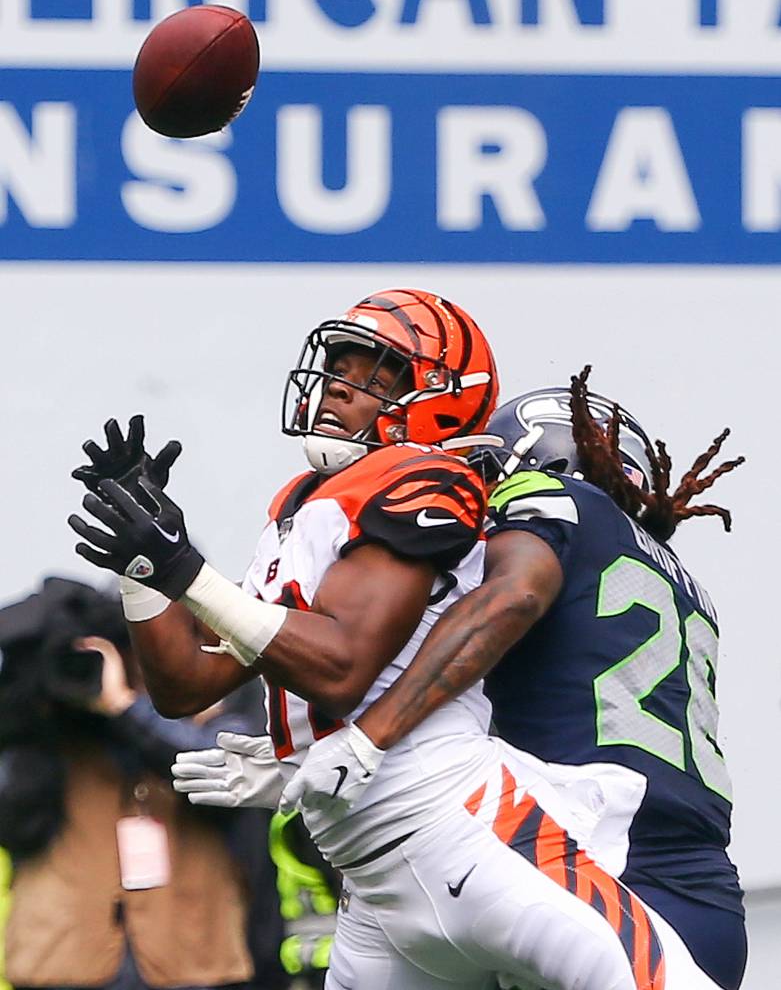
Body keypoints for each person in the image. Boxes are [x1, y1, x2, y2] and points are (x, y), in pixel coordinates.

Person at [69, 291, 719, 989]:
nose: (338, 389)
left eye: (374, 375)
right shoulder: (304, 505)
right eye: (338, 369)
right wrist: (143, 568)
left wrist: (184, 569)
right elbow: (187, 685)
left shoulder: (430, 479)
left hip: (480, 829)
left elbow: (351, 663)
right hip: (377, 877)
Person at [282, 366, 747, 990]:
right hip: (704, 888)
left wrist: (372, 736)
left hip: (592, 864)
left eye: (491, 472)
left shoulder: (556, 505)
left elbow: (511, 599)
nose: (480, 491)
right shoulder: (678, 577)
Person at [0, 576, 286, 990]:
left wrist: (123, 707)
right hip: (63, 957)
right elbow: (14, 816)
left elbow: (224, 770)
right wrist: (44, 701)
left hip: (192, 957)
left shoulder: (220, 693)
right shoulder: (45, 709)